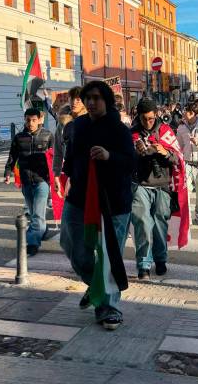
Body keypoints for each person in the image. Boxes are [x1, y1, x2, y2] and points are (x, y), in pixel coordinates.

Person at [60, 81, 136, 330]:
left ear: (106, 100)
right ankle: (95, 286)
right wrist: (66, 176)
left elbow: (132, 164)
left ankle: (109, 307)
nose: (90, 102)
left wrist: (109, 156)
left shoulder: (119, 129)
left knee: (109, 255)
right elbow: (71, 155)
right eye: (87, 98)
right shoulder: (79, 125)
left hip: (112, 201)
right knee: (71, 245)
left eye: (96, 98)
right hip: (79, 196)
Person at [130, 98, 180, 280]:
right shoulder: (132, 133)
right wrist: (135, 151)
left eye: (151, 119)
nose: (148, 122)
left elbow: (177, 158)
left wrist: (164, 152)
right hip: (140, 184)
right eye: (144, 119)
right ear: (139, 117)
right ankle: (143, 264)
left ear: (156, 115)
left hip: (162, 185)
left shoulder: (165, 131)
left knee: (160, 224)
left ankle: (160, 259)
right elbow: (125, 158)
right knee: (142, 223)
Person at [4, 108, 54, 256]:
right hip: (26, 181)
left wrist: (56, 177)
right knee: (33, 214)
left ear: (39, 120)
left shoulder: (48, 136)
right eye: (28, 120)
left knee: (38, 214)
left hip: (42, 181)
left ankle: (32, 243)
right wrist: (8, 172)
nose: (30, 123)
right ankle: (43, 230)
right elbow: (12, 157)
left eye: (33, 120)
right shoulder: (19, 137)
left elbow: (55, 157)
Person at [53, 87, 85, 204]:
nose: (74, 102)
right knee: (70, 216)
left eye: (78, 99)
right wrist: (56, 175)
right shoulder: (62, 122)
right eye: (72, 98)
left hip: (87, 174)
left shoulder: (90, 120)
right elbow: (57, 151)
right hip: (69, 172)